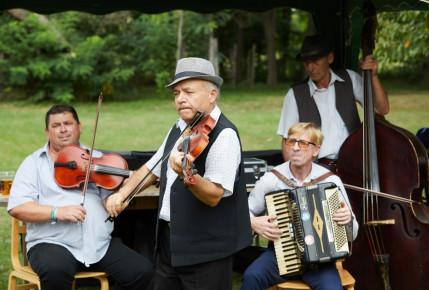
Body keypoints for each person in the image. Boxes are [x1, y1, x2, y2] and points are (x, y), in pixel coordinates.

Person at [105, 57, 252, 289]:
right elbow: (151, 169)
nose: (180, 99)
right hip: (170, 241)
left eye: (189, 92)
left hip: (206, 250)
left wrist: (186, 175)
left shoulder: (224, 135)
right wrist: (122, 195)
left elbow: (214, 195)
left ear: (212, 95)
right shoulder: (180, 126)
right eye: (176, 93)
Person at [7, 105, 153, 290]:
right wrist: (56, 212)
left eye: (68, 123)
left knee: (142, 271)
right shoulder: (34, 163)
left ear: (79, 127)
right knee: (56, 271)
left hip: (98, 245)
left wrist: (121, 194)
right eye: (56, 125)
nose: (63, 129)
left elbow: (107, 201)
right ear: (47, 132)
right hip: (52, 242)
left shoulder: (98, 160)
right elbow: (18, 207)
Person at [241, 122, 358, 290]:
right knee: (252, 277)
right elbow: (244, 212)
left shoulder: (330, 181)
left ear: (316, 150)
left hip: (320, 262)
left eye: (302, 143)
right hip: (279, 256)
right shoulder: (272, 178)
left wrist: (348, 220)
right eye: (291, 141)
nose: (295, 148)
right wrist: (253, 222)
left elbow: (353, 234)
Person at [277, 34, 390, 169]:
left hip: (354, 166)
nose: (310, 68)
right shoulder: (295, 95)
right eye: (306, 62)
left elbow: (381, 109)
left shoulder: (350, 78)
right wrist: (296, 179)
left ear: (329, 58)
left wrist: (373, 77)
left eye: (315, 60)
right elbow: (287, 142)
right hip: (317, 170)